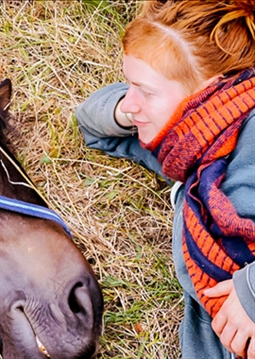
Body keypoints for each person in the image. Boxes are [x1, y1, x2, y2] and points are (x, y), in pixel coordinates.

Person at [75, 1, 255, 358]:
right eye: (129, 85)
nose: (129, 103)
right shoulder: (188, 147)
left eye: (145, 90)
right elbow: (92, 124)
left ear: (208, 90)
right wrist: (142, 110)